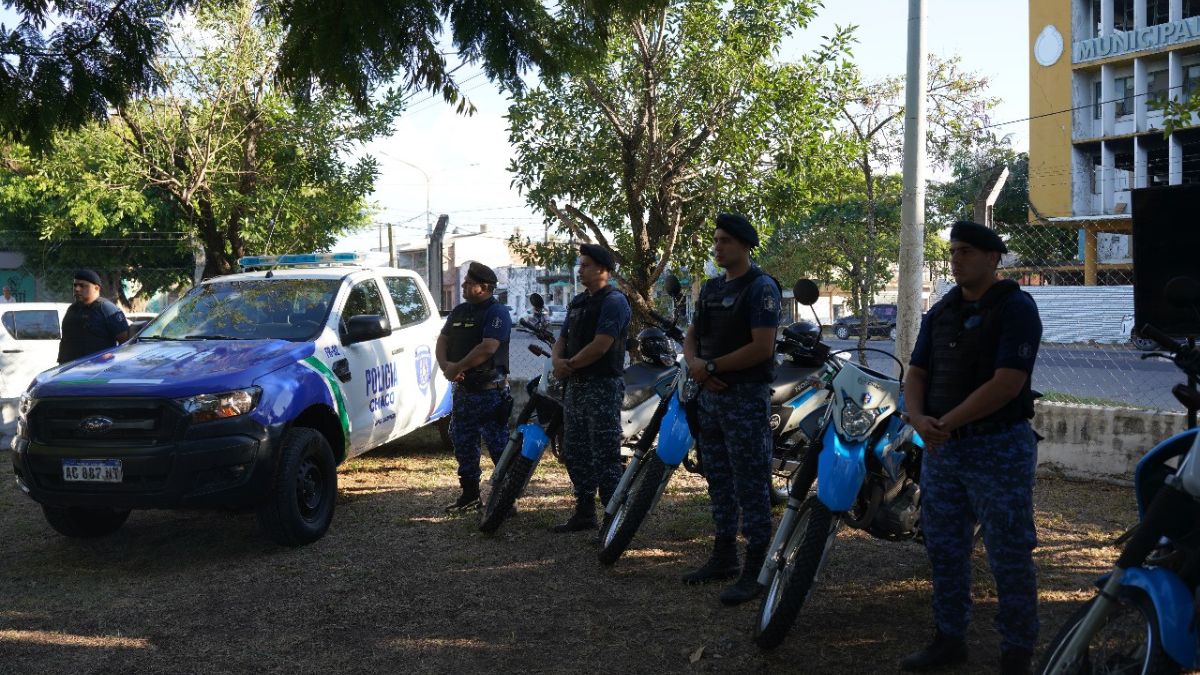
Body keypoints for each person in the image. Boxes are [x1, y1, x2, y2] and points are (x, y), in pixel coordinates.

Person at [900, 221, 1043, 675]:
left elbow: (1008, 384)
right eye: (953, 251)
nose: (956, 259)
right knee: (944, 548)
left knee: (1009, 552)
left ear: (993, 258)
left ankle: (1017, 651)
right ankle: (949, 638)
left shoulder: (1016, 308)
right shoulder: (942, 312)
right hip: (943, 450)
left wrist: (942, 423)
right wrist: (919, 418)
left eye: (965, 251)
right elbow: (917, 372)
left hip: (996, 448)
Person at [681, 213, 781, 606]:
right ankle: (724, 556)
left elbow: (762, 347)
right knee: (718, 479)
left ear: (743, 245)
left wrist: (712, 367)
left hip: (744, 398)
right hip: (710, 397)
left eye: (724, 241)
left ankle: (756, 568)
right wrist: (697, 367)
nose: (717, 247)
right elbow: (693, 337)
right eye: (716, 240)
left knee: (751, 482)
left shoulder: (761, 288)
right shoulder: (708, 290)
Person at [550, 243, 631, 533]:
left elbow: (602, 345)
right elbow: (562, 337)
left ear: (602, 269)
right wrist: (557, 359)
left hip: (602, 385)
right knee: (575, 450)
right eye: (579, 264)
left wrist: (567, 365)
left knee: (605, 454)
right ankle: (584, 512)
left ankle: (612, 522)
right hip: (576, 386)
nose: (579, 269)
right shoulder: (579, 302)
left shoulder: (614, 301)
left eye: (584, 265)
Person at [437, 262, 513, 512]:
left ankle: (505, 500)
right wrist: (447, 366)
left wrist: (458, 366)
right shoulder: (459, 312)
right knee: (463, 443)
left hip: (490, 391)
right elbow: (442, 340)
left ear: (484, 287)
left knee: (498, 446)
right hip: (464, 392)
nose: (463, 285)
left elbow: (488, 347)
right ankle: (470, 495)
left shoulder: (496, 312)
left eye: (469, 283)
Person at [57, 269, 130, 364]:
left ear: (96, 288)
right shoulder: (72, 309)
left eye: (82, 286)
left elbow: (125, 343)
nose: (77, 289)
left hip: (96, 371)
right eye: (75, 285)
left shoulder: (106, 309)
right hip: (69, 369)